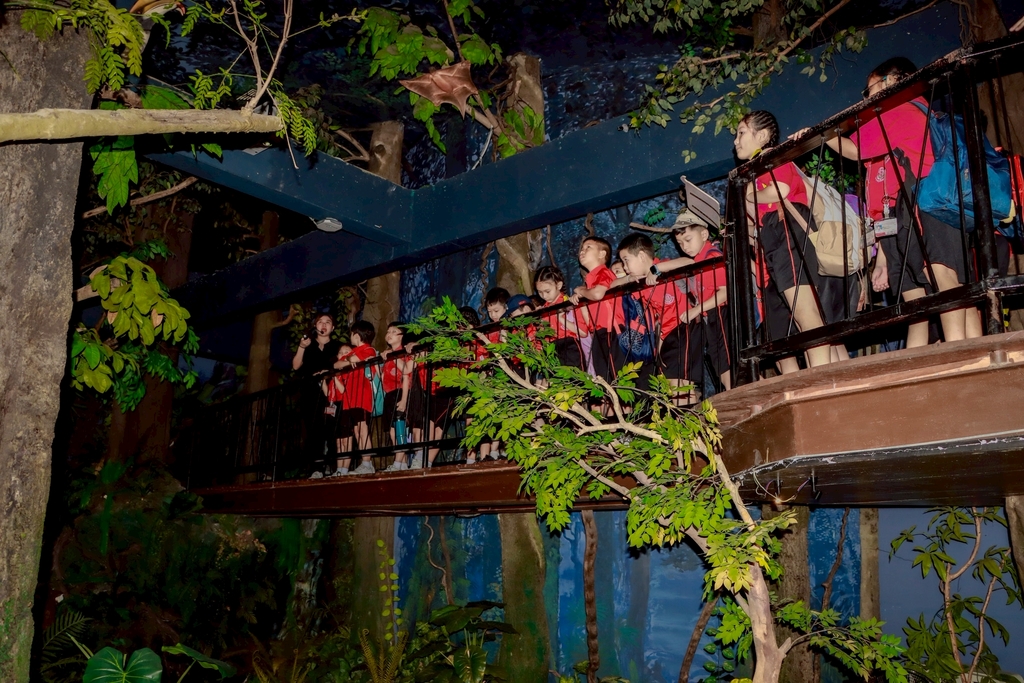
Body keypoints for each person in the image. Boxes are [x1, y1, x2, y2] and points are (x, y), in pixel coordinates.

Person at [792, 57, 978, 347]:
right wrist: (883, 257)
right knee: (917, 294)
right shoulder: (894, 122)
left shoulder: (899, 109)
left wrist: (820, 134)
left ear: (892, 80)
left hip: (923, 200)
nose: (866, 98)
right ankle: (930, 358)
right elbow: (877, 184)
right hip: (902, 209)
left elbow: (854, 149)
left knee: (942, 276)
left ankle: (960, 350)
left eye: (869, 90)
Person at [736, 110, 851, 368]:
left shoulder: (770, 158)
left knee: (805, 313)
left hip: (786, 228)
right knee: (805, 315)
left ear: (762, 135)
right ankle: (834, 374)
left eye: (741, 132)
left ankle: (821, 377)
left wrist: (749, 194)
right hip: (778, 231)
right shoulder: (758, 167)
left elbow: (781, 190)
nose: (736, 140)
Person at [641, 215, 732, 397]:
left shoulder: (712, 257)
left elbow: (725, 292)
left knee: (726, 364)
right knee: (720, 364)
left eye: (688, 239)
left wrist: (697, 309)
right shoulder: (699, 260)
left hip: (720, 313)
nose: (684, 246)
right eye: (680, 243)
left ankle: (740, 397)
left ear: (704, 234)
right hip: (711, 317)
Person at [292, 313, 341, 475]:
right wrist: (301, 347)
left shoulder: (338, 346)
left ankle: (334, 466)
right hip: (310, 392)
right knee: (313, 429)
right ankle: (315, 468)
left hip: (332, 391)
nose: (324, 325)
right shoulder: (309, 345)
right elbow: (296, 366)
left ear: (333, 328)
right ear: (315, 326)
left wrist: (328, 372)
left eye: (328, 322)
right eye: (320, 322)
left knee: (332, 428)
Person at [570, 236, 619, 381]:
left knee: (616, 377)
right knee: (604, 378)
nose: (582, 251)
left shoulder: (603, 273)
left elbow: (598, 294)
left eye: (588, 247)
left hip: (611, 331)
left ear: (602, 254)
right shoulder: (590, 281)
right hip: (598, 333)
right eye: (582, 249)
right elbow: (589, 320)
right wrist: (581, 298)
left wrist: (582, 291)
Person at [333, 320, 378, 475]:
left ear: (357, 335)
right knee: (354, 431)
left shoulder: (369, 349)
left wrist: (348, 360)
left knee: (362, 429)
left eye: (351, 334)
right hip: (349, 398)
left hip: (362, 396)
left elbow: (353, 360)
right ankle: (344, 469)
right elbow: (336, 365)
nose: (350, 337)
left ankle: (367, 463)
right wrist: (348, 360)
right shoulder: (353, 352)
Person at [535, 265, 586, 370]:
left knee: (574, 378)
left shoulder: (570, 303)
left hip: (570, 347)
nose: (544, 296)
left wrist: (562, 319)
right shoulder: (543, 309)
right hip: (550, 349)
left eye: (547, 291)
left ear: (559, 285)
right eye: (540, 292)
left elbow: (583, 332)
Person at [381, 323, 414, 472]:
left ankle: (397, 463)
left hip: (401, 392)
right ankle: (403, 464)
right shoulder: (388, 354)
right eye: (388, 331)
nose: (389, 334)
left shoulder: (404, 353)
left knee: (400, 428)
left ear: (402, 336)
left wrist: (404, 400)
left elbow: (406, 376)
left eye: (394, 331)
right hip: (390, 394)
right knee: (393, 430)